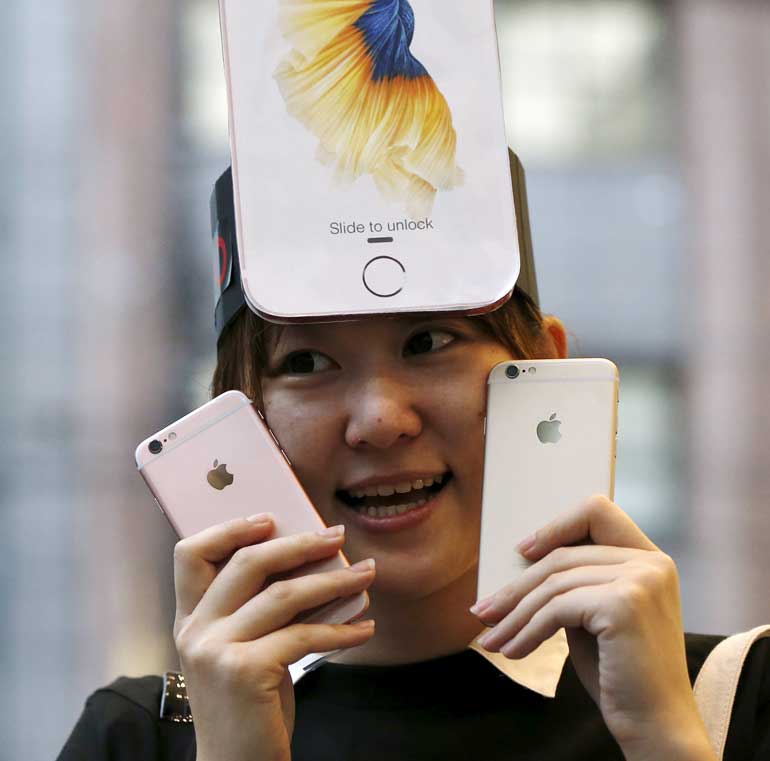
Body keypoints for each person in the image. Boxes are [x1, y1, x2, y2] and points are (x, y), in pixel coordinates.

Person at [57, 169, 770, 761]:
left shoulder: (736, 696)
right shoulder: (136, 739)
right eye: (307, 362)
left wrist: (666, 741)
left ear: (546, 366)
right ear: (244, 420)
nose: (380, 419)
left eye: (429, 339)